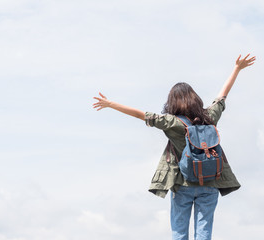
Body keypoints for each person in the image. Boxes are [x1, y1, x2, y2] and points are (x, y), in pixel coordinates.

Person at [93, 54, 256, 240]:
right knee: (204, 233)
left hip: (182, 184)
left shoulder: (172, 123)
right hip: (211, 183)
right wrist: (237, 69)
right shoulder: (210, 117)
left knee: (179, 232)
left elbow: (141, 115)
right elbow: (222, 96)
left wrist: (110, 104)